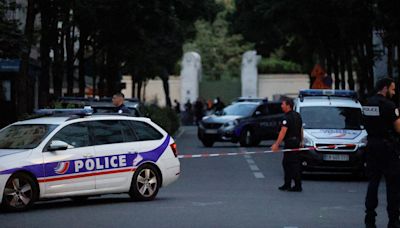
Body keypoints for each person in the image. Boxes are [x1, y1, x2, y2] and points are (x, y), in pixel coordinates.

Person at [363, 78, 400, 228]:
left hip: (372, 146)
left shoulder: (367, 103)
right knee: (393, 186)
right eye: (392, 89)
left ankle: (370, 218)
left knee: (373, 183)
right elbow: (398, 129)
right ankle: (393, 220)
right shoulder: (390, 106)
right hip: (388, 149)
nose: (394, 92)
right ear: (385, 88)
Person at [272, 96, 304, 192]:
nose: (281, 106)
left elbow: (283, 132)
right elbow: (301, 129)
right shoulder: (297, 115)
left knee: (292, 165)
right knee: (287, 163)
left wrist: (276, 144)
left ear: (288, 106)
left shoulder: (286, 117)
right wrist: (301, 141)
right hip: (297, 142)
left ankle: (297, 185)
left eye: (283, 104)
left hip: (290, 143)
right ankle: (287, 184)